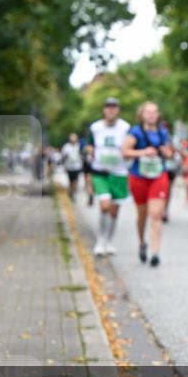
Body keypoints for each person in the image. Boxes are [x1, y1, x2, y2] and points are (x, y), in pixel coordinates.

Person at [122, 102, 174, 267]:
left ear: (158, 115)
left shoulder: (163, 132)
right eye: (148, 112)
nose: (151, 115)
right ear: (142, 115)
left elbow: (170, 154)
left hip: (159, 176)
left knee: (156, 214)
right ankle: (142, 243)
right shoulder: (135, 131)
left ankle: (155, 251)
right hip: (139, 177)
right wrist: (143, 152)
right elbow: (125, 152)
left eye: (154, 112)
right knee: (142, 215)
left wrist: (167, 153)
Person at [87, 97, 131, 256]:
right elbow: (89, 144)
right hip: (100, 172)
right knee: (104, 205)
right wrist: (89, 150)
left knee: (114, 210)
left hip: (119, 172)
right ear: (104, 110)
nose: (111, 110)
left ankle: (109, 241)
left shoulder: (126, 128)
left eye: (114, 107)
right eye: (108, 107)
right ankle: (100, 240)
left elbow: (131, 146)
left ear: (118, 110)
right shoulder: (95, 128)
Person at [161, 121, 179, 223]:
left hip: (170, 168)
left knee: (167, 190)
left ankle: (165, 210)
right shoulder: (155, 136)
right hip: (158, 168)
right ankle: (160, 209)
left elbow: (176, 152)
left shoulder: (172, 139)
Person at [61, 133, 84, 200]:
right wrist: (64, 164)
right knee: (71, 181)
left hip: (77, 166)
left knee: (76, 180)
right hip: (69, 166)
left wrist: (82, 165)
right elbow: (63, 157)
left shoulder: (79, 146)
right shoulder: (66, 146)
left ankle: (73, 193)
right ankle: (71, 192)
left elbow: (82, 156)